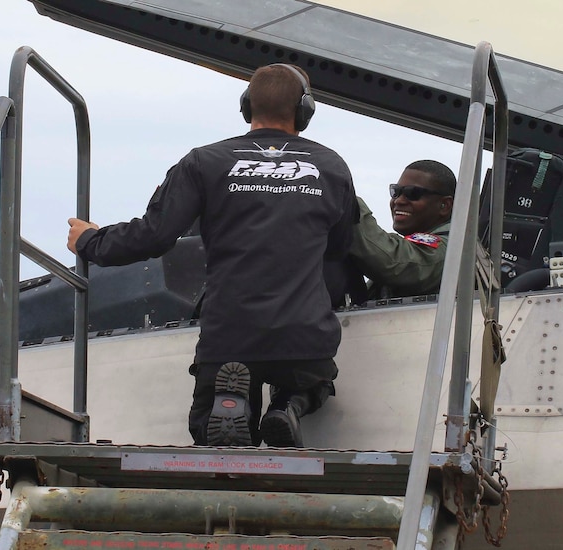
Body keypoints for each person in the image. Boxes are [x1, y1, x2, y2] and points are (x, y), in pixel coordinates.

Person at [67, 64, 357, 449]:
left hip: (229, 333)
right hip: (303, 336)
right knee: (317, 377)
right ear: (305, 111)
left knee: (210, 430)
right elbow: (341, 247)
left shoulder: (204, 161)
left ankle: (230, 401)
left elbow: (153, 235)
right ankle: (288, 405)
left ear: (245, 106)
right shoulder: (331, 166)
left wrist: (90, 240)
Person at [348, 160, 456, 299]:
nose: (399, 201)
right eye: (396, 192)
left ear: (445, 205)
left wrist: (345, 200)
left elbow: (391, 262)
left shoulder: (455, 250)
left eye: (413, 193)